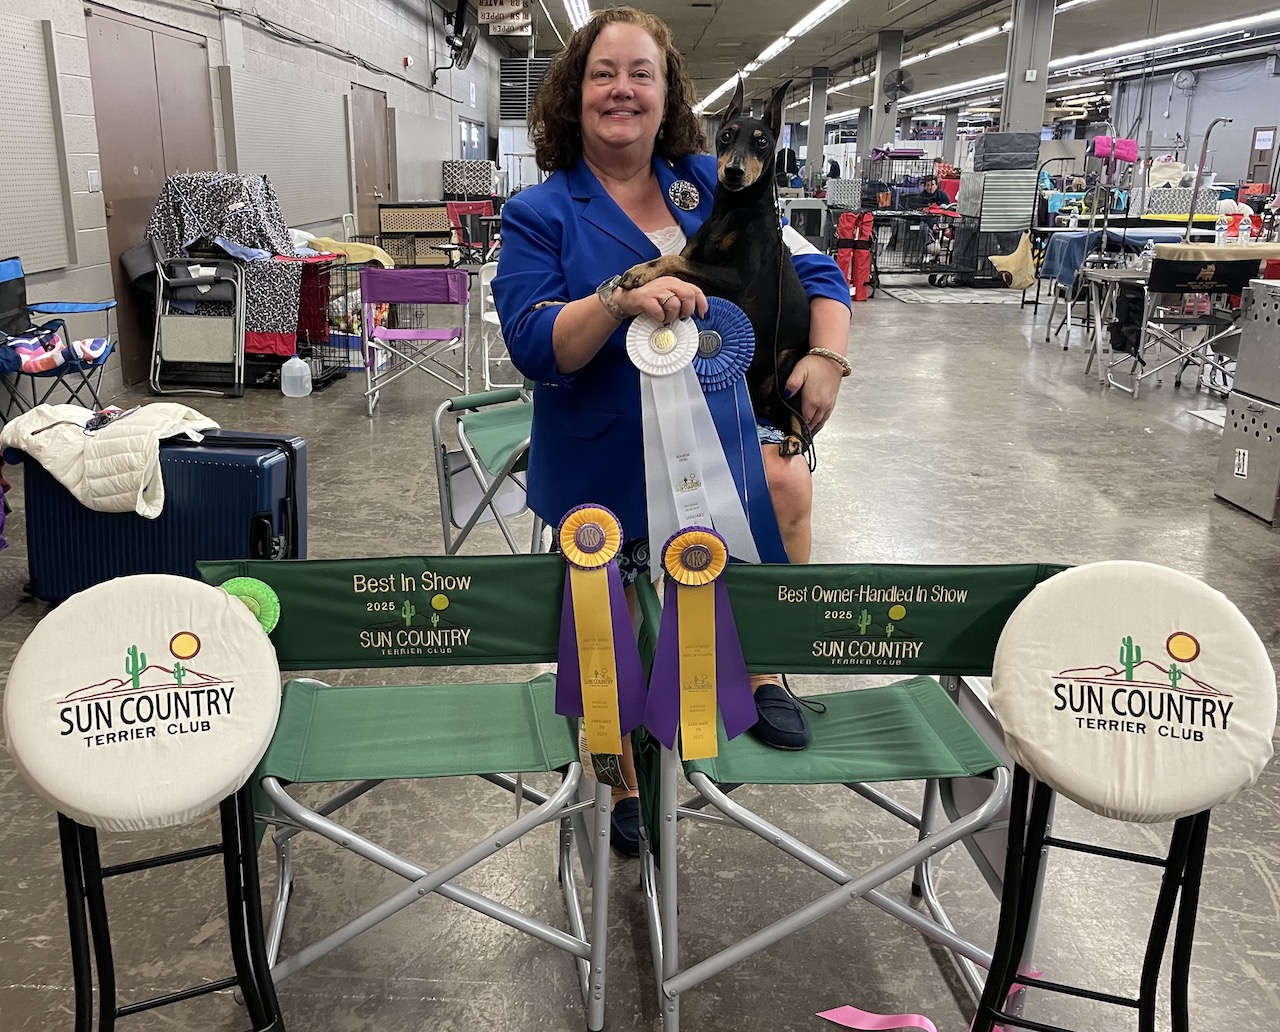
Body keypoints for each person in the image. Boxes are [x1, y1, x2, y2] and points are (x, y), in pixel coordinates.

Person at [493, 7, 852, 854]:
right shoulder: (540, 212)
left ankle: (763, 670)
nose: (622, 89)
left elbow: (816, 270)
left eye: (641, 74)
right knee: (604, 592)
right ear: (575, 93)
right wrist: (619, 298)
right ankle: (617, 769)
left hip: (721, 444)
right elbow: (535, 345)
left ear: (666, 95)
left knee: (785, 481)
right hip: (605, 455)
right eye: (603, 73)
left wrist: (827, 357)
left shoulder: (714, 179)